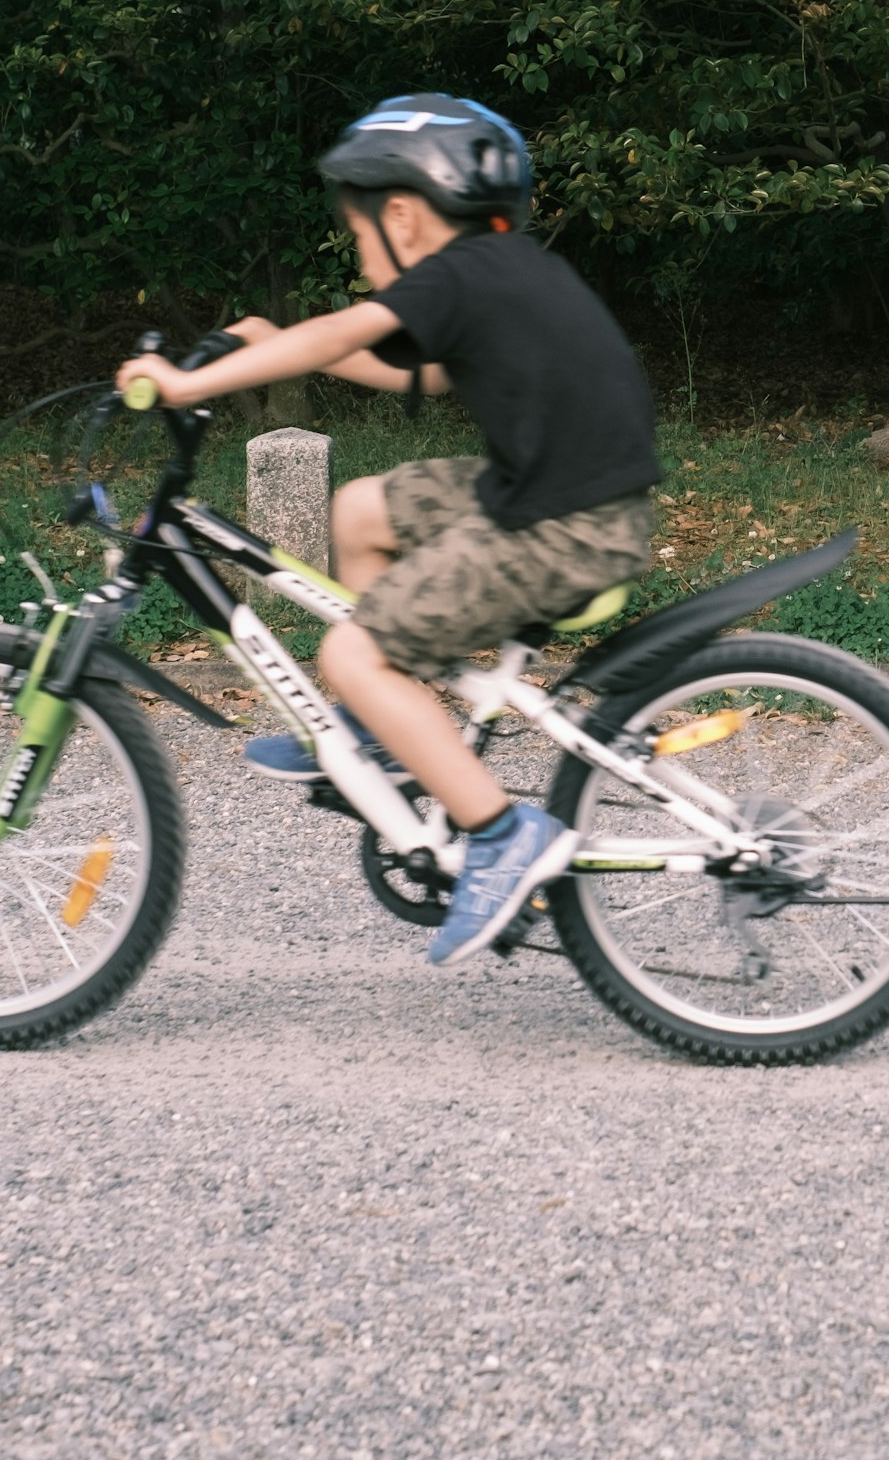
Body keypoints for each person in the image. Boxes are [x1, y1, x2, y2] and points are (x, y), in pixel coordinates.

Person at [113, 94, 660, 964]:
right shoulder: (498, 268)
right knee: (360, 510)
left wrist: (185, 386)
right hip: (561, 495)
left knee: (351, 653)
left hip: (563, 527)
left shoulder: (457, 272)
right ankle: (383, 732)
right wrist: (280, 341)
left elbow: (342, 331)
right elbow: (432, 375)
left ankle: (499, 834)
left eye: (360, 233)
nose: (366, 253)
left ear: (403, 216)